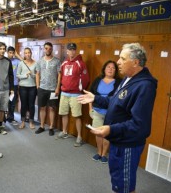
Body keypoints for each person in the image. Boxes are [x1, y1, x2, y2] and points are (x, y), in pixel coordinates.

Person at [77, 43, 157, 193]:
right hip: (118, 139)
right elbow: (114, 101)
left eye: (122, 58)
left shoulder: (145, 86)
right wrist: (96, 98)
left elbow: (139, 124)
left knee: (124, 183)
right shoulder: (128, 79)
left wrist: (110, 129)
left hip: (127, 144)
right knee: (118, 179)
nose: (118, 62)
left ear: (135, 62)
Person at [56, 43, 89, 147]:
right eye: (70, 49)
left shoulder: (80, 63)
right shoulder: (64, 62)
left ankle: (79, 136)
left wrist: (80, 89)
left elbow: (86, 79)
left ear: (76, 51)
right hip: (64, 92)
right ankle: (65, 132)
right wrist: (59, 88)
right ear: (67, 51)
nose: (72, 51)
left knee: (77, 116)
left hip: (75, 94)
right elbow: (61, 76)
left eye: (73, 50)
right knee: (64, 113)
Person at [88, 60, 121, 163]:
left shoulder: (119, 82)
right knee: (98, 132)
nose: (110, 69)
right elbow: (91, 94)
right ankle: (98, 152)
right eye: (108, 67)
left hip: (110, 113)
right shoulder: (98, 80)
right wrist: (90, 109)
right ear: (104, 69)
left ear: (116, 70)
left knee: (107, 134)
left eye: (113, 68)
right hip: (97, 111)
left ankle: (104, 154)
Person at [35, 42, 61, 136]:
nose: (48, 50)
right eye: (46, 48)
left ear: (52, 49)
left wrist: (57, 88)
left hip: (53, 89)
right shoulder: (40, 61)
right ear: (43, 49)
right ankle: (42, 126)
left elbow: (59, 75)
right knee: (42, 108)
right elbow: (37, 73)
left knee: (52, 108)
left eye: (50, 49)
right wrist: (38, 86)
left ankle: (51, 127)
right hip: (42, 88)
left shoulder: (57, 61)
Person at [16, 47, 37, 129]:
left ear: (31, 53)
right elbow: (18, 75)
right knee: (24, 105)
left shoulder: (35, 63)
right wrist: (25, 75)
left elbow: (38, 75)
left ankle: (31, 122)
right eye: (26, 53)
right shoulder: (21, 63)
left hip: (32, 87)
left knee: (32, 105)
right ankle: (23, 122)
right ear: (24, 54)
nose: (27, 54)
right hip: (23, 87)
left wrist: (32, 75)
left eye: (29, 52)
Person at [6, 46, 21, 126]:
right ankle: (3, 117)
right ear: (7, 52)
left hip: (14, 85)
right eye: (10, 53)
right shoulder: (4, 61)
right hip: (5, 86)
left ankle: (11, 118)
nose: (11, 54)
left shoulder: (16, 61)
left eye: (13, 53)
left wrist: (17, 55)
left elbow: (24, 62)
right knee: (5, 102)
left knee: (12, 102)